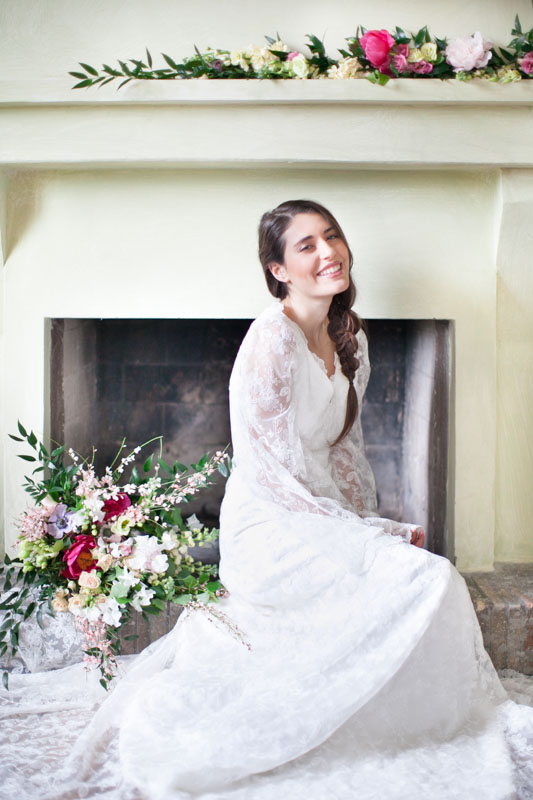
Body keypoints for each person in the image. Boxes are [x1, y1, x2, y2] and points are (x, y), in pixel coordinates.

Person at [0, 199, 532, 800]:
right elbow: (275, 475)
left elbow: (345, 453)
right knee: (426, 581)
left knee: (427, 579)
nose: (328, 252)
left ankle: (391, 716)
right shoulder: (269, 342)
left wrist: (368, 523)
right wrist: (366, 537)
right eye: (306, 246)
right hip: (273, 527)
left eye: (331, 237)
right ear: (278, 270)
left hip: (324, 515)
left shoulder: (349, 334)